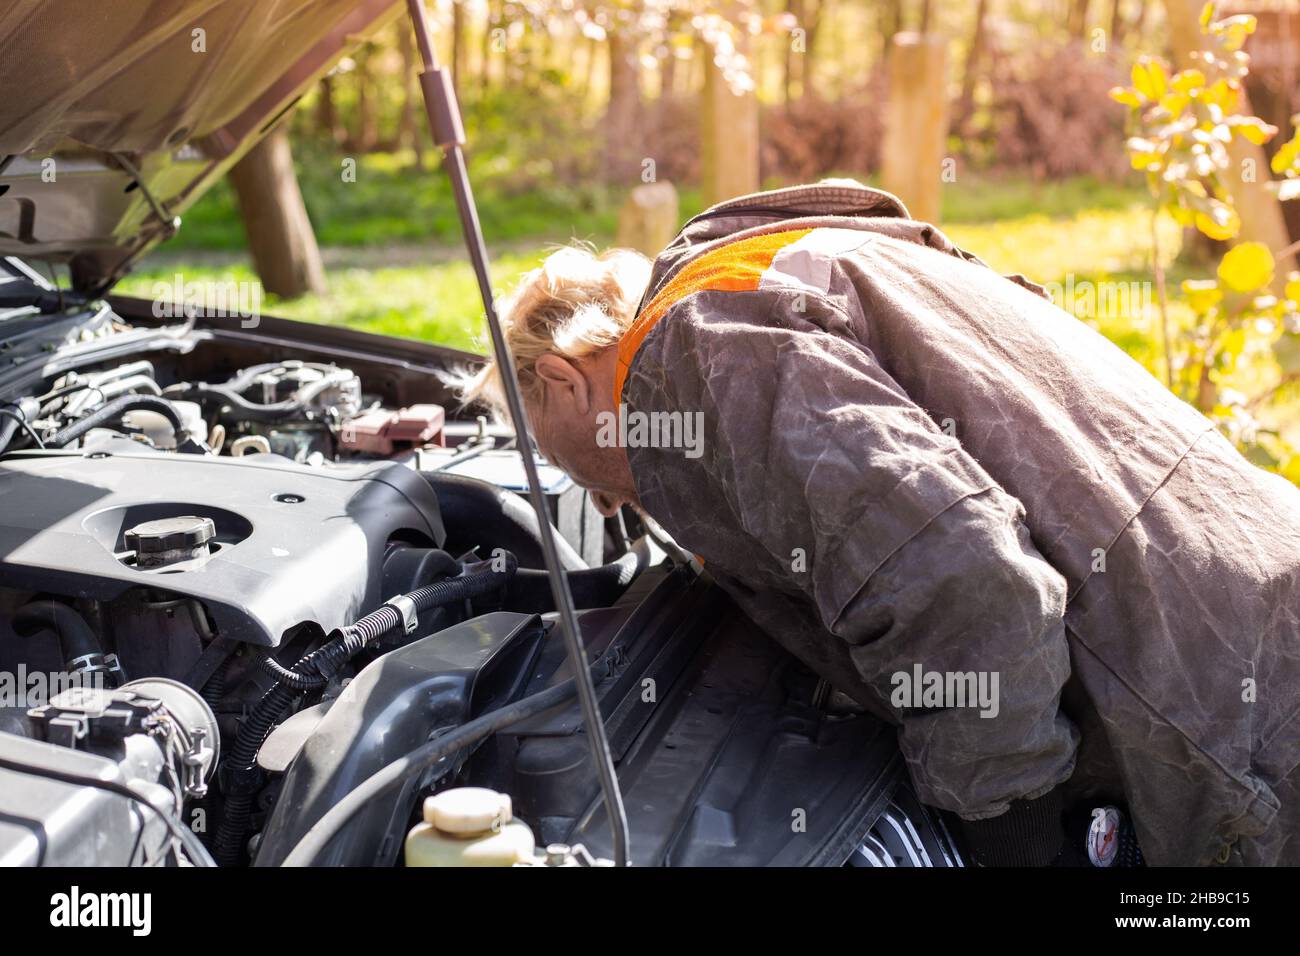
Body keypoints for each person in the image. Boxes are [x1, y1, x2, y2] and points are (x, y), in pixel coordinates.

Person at [456, 181, 1300, 866]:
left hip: (1220, 726)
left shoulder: (698, 362)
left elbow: (969, 583)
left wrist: (1017, 826)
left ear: (565, 383)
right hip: (1243, 591)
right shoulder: (770, 270)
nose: (600, 499)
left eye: (561, 461)